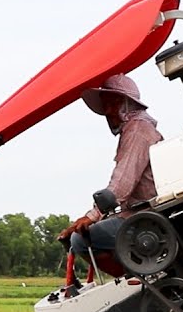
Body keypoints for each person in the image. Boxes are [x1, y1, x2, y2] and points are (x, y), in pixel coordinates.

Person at [58, 74, 163, 259]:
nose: (107, 111)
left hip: (147, 217)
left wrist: (91, 216)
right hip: (139, 213)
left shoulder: (138, 130)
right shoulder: (136, 129)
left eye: (112, 104)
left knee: (79, 241)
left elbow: (122, 184)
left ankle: (140, 279)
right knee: (85, 232)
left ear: (126, 104)